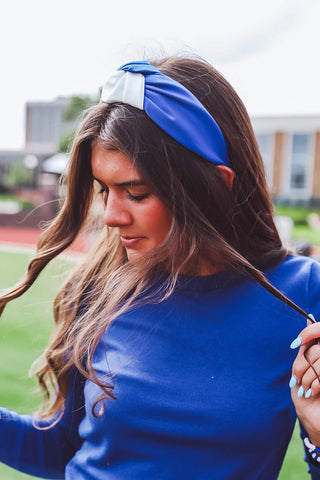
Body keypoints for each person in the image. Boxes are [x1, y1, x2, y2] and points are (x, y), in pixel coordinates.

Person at [0, 55, 320, 480]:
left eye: (135, 192)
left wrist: (318, 438)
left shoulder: (303, 294)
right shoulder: (97, 288)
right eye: (103, 189)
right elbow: (62, 449)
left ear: (215, 189)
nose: (111, 216)